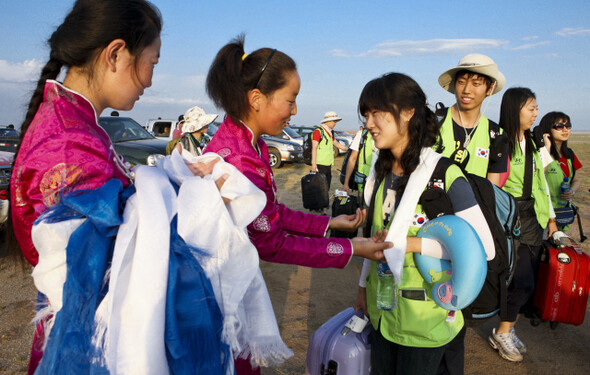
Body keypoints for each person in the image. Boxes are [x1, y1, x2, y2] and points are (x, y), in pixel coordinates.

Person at [7, 1, 230, 373]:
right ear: (115, 54)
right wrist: (199, 201)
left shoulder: (78, 125)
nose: (150, 80)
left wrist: (180, 177)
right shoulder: (68, 143)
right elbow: (112, 261)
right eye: (152, 63)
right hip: (90, 346)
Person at [204, 35, 391, 374]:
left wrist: (329, 224)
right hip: (220, 297)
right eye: (290, 100)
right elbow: (273, 244)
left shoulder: (250, 143)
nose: (294, 111)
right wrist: (351, 249)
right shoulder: (241, 162)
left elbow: (271, 214)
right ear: (257, 99)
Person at [352, 72, 494, 375]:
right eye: (366, 114)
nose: (368, 123)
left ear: (408, 113)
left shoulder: (446, 175)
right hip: (382, 313)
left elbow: (483, 247)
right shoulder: (380, 172)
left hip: (426, 319)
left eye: (377, 113)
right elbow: (374, 234)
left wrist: (409, 244)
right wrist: (363, 287)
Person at [488, 88, 557, 362]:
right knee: (519, 282)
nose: (536, 114)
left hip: (533, 220)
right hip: (511, 221)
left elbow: (542, 187)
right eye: (531, 108)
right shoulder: (502, 143)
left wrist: (551, 221)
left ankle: (508, 328)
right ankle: (502, 332)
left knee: (526, 282)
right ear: (515, 109)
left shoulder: (533, 142)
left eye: (536, 108)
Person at [436, 54, 509, 186]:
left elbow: (492, 189)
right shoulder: (432, 121)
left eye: (476, 84)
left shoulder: (496, 135)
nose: (466, 90)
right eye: (461, 82)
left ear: (490, 88)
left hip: (474, 206)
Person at [538, 111, 582, 231]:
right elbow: (538, 175)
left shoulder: (569, 154)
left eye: (568, 126)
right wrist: (546, 148)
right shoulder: (539, 153)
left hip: (562, 214)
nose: (565, 130)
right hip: (543, 215)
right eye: (559, 127)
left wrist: (571, 192)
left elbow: (577, 180)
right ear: (547, 129)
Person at [311, 111, 348, 189]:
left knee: (326, 187)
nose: (335, 123)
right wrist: (314, 164)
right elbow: (314, 148)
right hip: (320, 165)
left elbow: (336, 144)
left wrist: (348, 149)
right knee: (321, 188)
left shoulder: (330, 132)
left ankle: (324, 200)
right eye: (334, 121)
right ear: (328, 121)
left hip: (328, 164)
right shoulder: (318, 132)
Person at [342, 125, 375, 196]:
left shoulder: (387, 134)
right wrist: (346, 183)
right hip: (363, 183)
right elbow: (352, 159)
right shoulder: (361, 134)